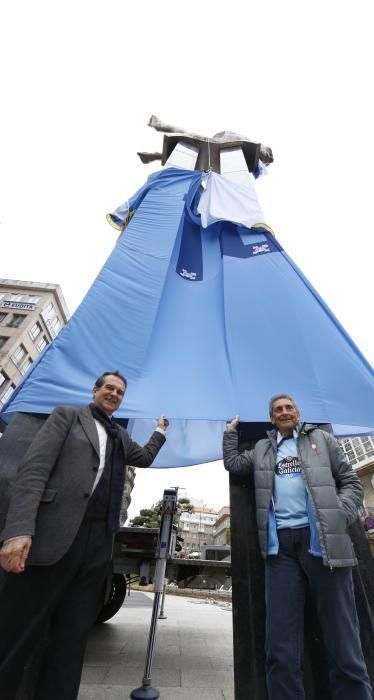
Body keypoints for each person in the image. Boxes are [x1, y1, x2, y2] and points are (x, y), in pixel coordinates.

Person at [0, 370, 168, 700]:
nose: (114, 394)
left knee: (72, 638)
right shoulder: (67, 416)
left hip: (97, 547)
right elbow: (33, 470)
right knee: (17, 632)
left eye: (120, 391)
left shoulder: (120, 435)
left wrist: (160, 431)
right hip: (53, 538)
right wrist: (18, 529)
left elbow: (144, 458)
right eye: (109, 388)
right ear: (94, 390)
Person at [223, 393, 372, 700]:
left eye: (289, 407)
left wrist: (337, 515)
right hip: (281, 551)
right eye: (278, 409)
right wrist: (229, 433)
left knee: (343, 640)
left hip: (324, 545)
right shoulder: (264, 448)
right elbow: (234, 464)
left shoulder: (321, 440)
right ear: (271, 417)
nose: (284, 412)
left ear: (298, 412)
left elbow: (352, 483)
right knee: (280, 645)